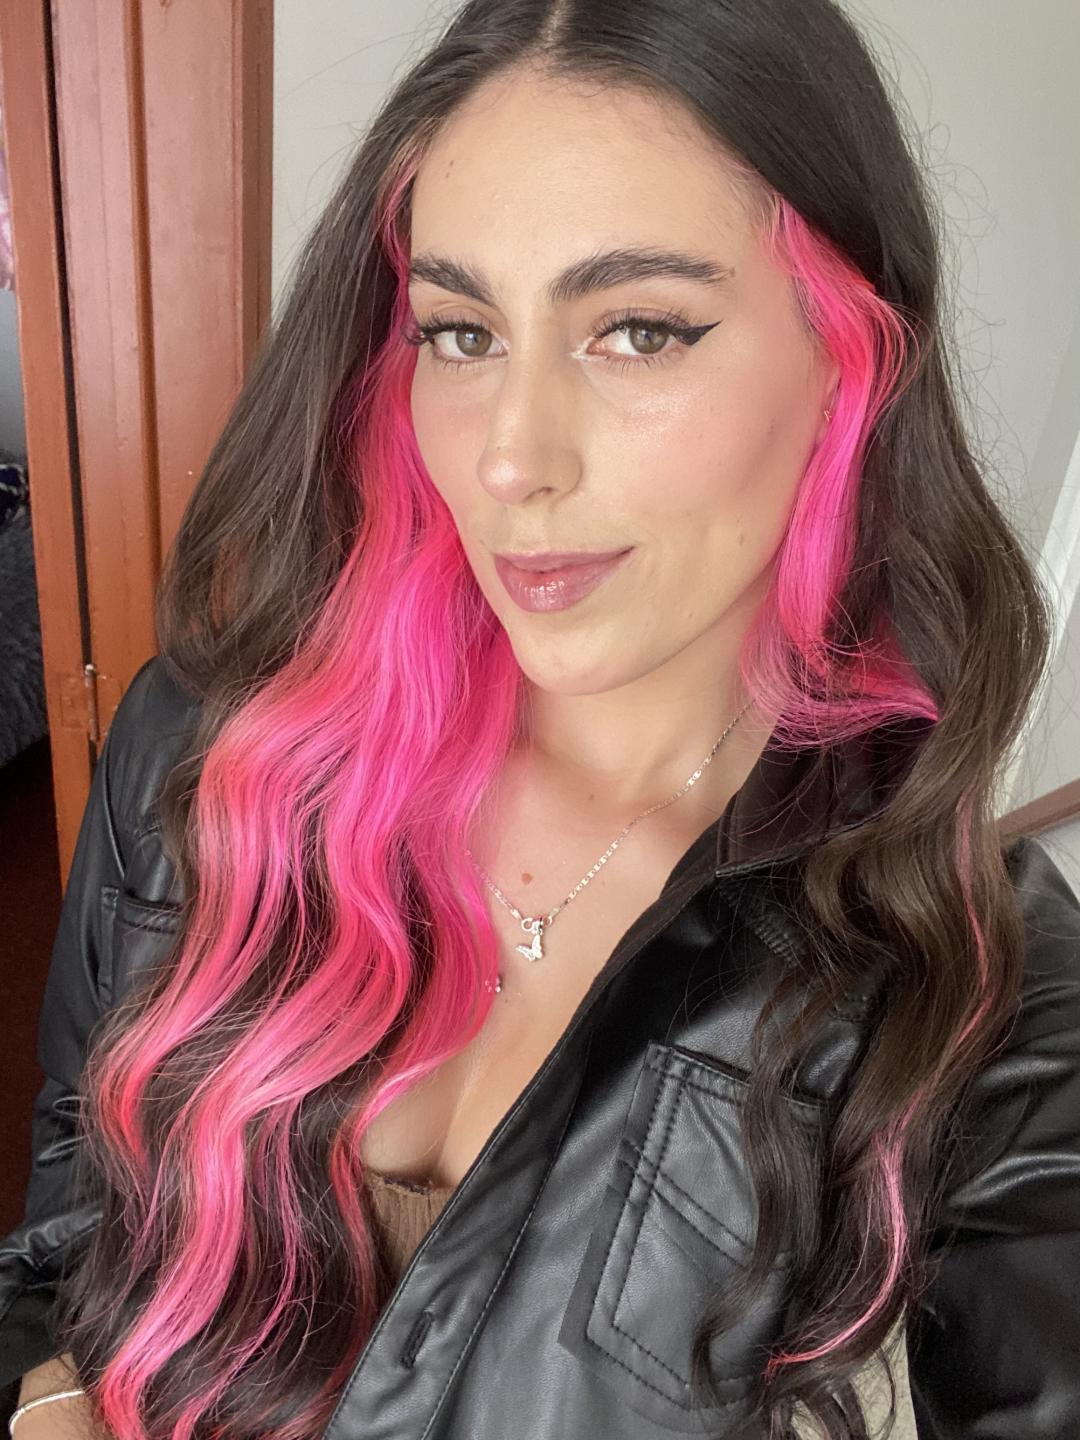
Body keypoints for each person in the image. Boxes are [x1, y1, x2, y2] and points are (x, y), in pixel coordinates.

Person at [3, 0, 1079, 1436]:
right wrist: (53, 1399)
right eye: (461, 332)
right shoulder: (220, 750)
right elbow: (77, 1201)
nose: (510, 458)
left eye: (637, 331)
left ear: (852, 356)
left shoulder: (971, 983)